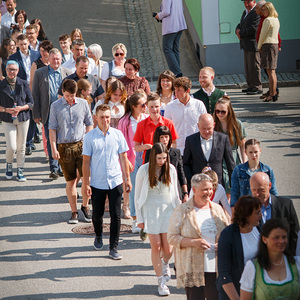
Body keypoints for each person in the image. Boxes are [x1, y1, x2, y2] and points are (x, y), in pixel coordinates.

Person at [82, 104, 132, 260]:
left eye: (108, 117)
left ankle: (114, 247)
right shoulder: (89, 137)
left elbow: (123, 158)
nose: (105, 120)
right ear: (96, 118)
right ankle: (98, 235)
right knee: (97, 215)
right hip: (97, 182)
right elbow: (85, 161)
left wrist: (127, 179)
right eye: (102, 117)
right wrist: (86, 183)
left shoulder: (117, 135)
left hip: (115, 180)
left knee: (116, 215)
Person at [168, 173, 229, 299]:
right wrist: (193, 242)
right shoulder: (182, 210)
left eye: (211, 188)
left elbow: (227, 234)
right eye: (205, 189)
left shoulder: (217, 209)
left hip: (216, 267)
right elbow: (172, 237)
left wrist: (222, 243)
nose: (209, 192)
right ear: (194, 190)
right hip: (192, 268)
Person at [135, 143, 181, 296]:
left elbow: (175, 193)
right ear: (153, 157)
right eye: (159, 158)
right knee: (156, 246)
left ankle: (165, 262)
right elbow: (137, 196)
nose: (162, 161)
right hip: (150, 209)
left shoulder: (171, 169)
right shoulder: (143, 170)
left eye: (164, 158)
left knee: (168, 249)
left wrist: (179, 212)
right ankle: (161, 281)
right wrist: (139, 218)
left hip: (168, 209)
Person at [48, 79, 93, 223]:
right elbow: (52, 129)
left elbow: (89, 123)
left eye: (73, 95)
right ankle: (74, 211)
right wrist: (54, 148)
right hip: (64, 147)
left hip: (81, 145)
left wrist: (87, 140)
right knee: (71, 181)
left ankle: (85, 206)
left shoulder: (83, 103)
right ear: (63, 92)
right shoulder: (55, 106)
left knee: (87, 178)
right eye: (68, 96)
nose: (70, 98)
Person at [32, 48, 71, 179]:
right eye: (53, 59)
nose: (56, 61)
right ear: (48, 59)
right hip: (48, 111)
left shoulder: (67, 73)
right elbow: (35, 94)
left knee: (63, 139)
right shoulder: (40, 73)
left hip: (64, 112)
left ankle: (61, 167)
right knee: (51, 140)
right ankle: (54, 168)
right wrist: (36, 113)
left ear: (61, 60)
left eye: (58, 59)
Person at [240, 218, 300, 300]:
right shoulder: (253, 267)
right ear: (264, 239)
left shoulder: (296, 264)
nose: (281, 241)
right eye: (276, 237)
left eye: (284, 237)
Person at [217, 195, 262, 299]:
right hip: (234, 293)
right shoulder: (227, 235)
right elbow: (224, 273)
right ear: (246, 214)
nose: (260, 215)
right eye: (257, 213)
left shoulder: (259, 228)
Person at [117, 90, 148, 227]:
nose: (145, 107)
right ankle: (127, 205)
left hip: (144, 157)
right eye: (142, 105)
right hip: (130, 157)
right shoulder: (125, 121)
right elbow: (121, 141)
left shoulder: (146, 118)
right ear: (134, 106)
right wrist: (126, 159)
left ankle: (143, 213)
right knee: (130, 184)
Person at [250, 172, 299, 255]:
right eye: (254, 190)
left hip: (283, 257)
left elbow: (295, 234)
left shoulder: (286, 205)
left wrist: (292, 257)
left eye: (261, 190)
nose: (257, 194)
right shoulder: (247, 209)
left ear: (269, 186)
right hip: (258, 259)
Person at [183, 113, 235, 191]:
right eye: (203, 128)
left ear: (213, 125)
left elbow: (230, 164)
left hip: (218, 186)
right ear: (198, 126)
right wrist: (191, 181)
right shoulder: (190, 140)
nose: (206, 131)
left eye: (209, 128)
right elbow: (186, 163)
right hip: (198, 187)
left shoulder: (223, 139)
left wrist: (234, 186)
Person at [0, 60, 33, 181]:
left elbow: (31, 102)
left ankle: (20, 169)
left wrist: (21, 108)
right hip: (7, 119)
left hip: (23, 118)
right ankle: (9, 165)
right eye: (9, 69)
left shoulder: (24, 84)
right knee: (12, 146)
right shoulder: (1, 84)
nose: (11, 72)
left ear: (18, 71)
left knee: (21, 146)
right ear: (6, 70)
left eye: (13, 69)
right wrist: (5, 110)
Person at [9, 34, 39, 156]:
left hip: (34, 88)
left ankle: (29, 142)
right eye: (20, 44)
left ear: (28, 43)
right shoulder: (13, 57)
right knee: (24, 116)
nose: (23, 47)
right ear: (17, 45)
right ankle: (25, 142)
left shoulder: (36, 55)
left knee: (32, 117)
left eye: (25, 44)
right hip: (20, 89)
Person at [164, 76, 207, 156]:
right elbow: (167, 128)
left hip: (196, 148)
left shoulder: (199, 105)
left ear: (188, 90)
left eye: (179, 90)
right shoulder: (170, 106)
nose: (176, 92)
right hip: (177, 149)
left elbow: (204, 125)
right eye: (175, 89)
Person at [213, 96, 247, 195]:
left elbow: (242, 144)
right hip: (218, 159)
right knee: (223, 191)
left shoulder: (237, 124)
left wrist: (244, 162)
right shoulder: (213, 124)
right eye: (217, 111)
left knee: (234, 189)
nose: (219, 114)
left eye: (223, 111)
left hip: (233, 158)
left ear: (229, 111)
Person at [145, 126, 188, 202]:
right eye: (161, 137)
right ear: (157, 138)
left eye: (166, 136)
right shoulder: (150, 152)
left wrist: (185, 193)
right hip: (156, 191)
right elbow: (146, 172)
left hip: (174, 191)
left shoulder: (176, 152)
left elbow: (181, 174)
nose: (164, 140)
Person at [230, 138, 278, 208]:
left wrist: (276, 208)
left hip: (263, 208)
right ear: (245, 152)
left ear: (260, 151)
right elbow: (234, 193)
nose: (254, 155)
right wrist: (234, 212)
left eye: (256, 152)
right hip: (245, 209)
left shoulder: (268, 170)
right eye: (250, 152)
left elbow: (273, 192)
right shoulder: (238, 170)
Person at [134, 92, 178, 162]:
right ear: (147, 106)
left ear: (160, 106)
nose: (154, 109)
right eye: (151, 107)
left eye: (156, 106)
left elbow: (174, 143)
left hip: (165, 160)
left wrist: (165, 148)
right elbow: (136, 147)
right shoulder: (141, 124)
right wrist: (146, 146)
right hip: (149, 160)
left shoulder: (169, 123)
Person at [255, 1, 281, 100]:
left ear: (269, 9)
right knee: (272, 71)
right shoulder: (276, 19)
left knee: (270, 72)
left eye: (264, 9)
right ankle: (273, 93)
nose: (262, 11)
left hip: (268, 45)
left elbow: (262, 35)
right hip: (274, 44)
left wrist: (259, 46)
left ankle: (272, 94)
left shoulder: (267, 20)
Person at [154, 0, 187, 78]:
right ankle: (177, 72)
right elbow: (181, 9)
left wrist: (158, 15)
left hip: (171, 26)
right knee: (175, 49)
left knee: (167, 49)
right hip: (179, 23)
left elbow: (166, 11)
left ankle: (176, 72)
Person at [236, 0, 262, 95]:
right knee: (248, 67)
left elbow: (254, 28)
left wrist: (240, 33)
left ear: (254, 1)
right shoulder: (245, 12)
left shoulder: (256, 12)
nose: (246, 5)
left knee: (254, 66)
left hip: (253, 44)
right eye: (245, 3)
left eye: (248, 2)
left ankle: (257, 86)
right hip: (246, 44)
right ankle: (250, 86)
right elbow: (241, 24)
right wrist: (237, 29)